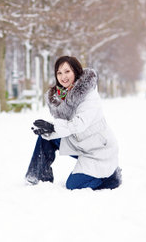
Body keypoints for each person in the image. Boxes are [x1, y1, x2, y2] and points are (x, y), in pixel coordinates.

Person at [25, 56, 121, 190]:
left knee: (73, 185)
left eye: (67, 71)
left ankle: (111, 178)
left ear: (76, 71)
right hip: (80, 142)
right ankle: (38, 177)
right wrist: (49, 129)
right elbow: (66, 125)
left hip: (98, 149)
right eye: (59, 73)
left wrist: (53, 127)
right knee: (46, 137)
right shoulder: (63, 96)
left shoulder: (89, 95)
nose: (63, 76)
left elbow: (78, 124)